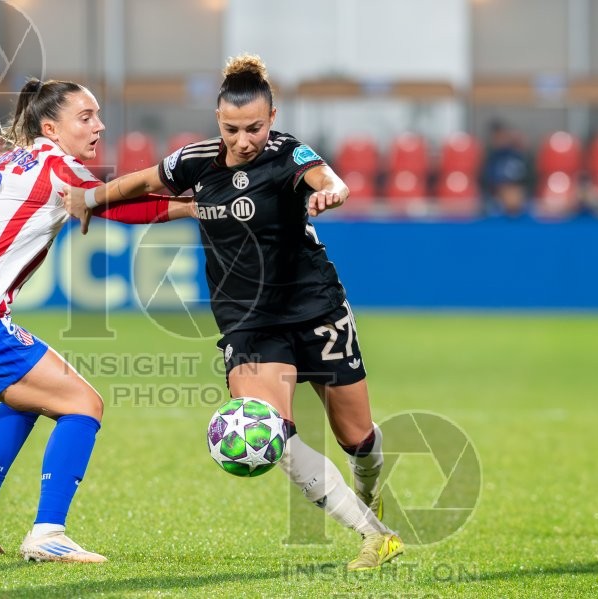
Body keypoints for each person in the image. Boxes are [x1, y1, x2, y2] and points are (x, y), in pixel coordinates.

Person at [65, 54, 404, 571]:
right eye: (231, 128)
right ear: (217, 121)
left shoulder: (288, 153)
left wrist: (334, 193)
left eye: (254, 128)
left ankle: (369, 492)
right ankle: (373, 534)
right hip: (248, 322)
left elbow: (326, 177)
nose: (244, 140)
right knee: (273, 433)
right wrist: (90, 197)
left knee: (355, 437)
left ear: (272, 117)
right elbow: (143, 185)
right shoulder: (196, 162)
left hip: (315, 307)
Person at [0, 78, 193, 563]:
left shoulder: (3, 163)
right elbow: (120, 206)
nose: (99, 125)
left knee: (29, 398)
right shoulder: (57, 167)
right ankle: (47, 533)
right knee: (84, 405)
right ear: (50, 127)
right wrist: (198, 207)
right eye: (85, 117)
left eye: (98, 115)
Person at [481, 119, 531, 217]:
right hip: (496, 201)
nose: (500, 140)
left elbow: (529, 180)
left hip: (520, 201)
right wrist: (501, 192)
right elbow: (486, 182)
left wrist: (516, 193)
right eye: (497, 137)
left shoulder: (518, 156)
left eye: (503, 136)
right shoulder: (490, 158)